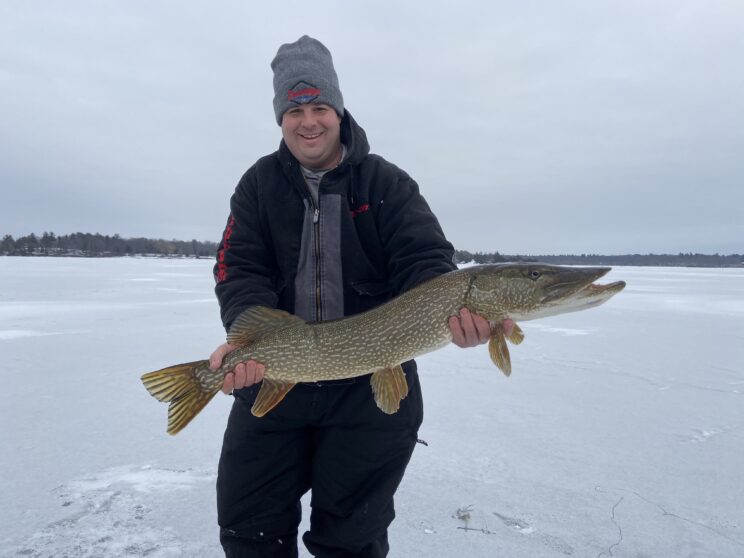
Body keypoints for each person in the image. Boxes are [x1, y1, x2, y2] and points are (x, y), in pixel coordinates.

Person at [209, 35, 513, 558]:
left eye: (320, 107)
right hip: (275, 377)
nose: (309, 121)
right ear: (280, 118)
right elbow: (239, 268)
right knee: (249, 528)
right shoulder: (258, 185)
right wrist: (245, 335)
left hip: (374, 389)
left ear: (339, 110)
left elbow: (425, 260)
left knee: (351, 540)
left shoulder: (386, 184)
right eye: (295, 109)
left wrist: (452, 313)